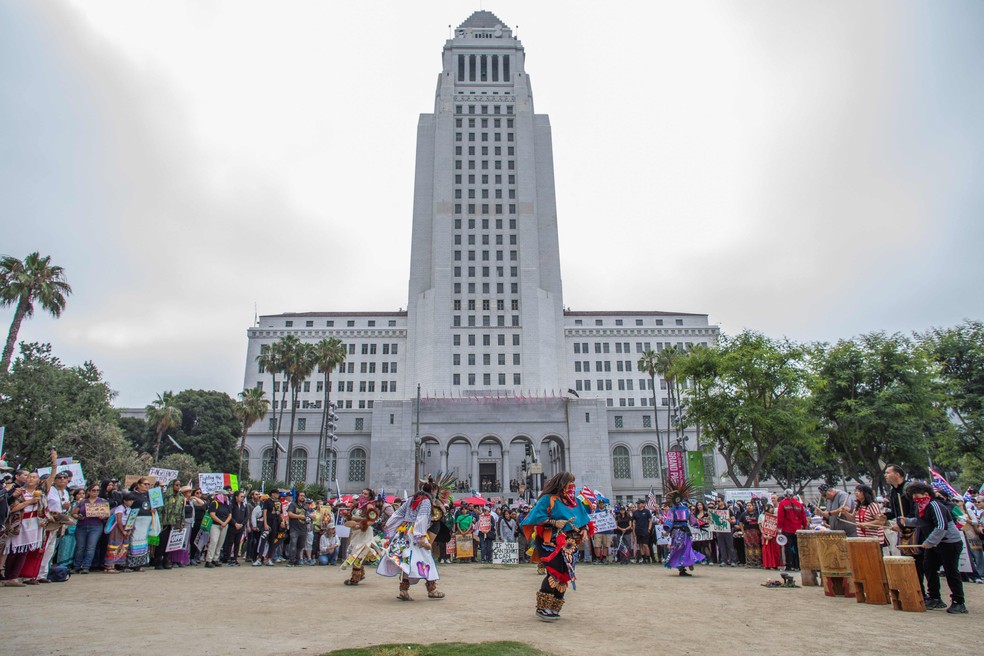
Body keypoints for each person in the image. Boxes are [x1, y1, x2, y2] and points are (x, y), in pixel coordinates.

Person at [521, 471, 593, 622]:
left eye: (573, 483)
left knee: (565, 574)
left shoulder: (576, 502)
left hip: (570, 544)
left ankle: (554, 606)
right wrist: (554, 522)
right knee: (554, 573)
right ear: (562, 484)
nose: (572, 486)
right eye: (569, 483)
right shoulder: (548, 499)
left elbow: (584, 521)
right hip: (550, 542)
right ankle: (542, 607)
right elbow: (535, 517)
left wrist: (585, 531)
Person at [377, 473, 453, 600]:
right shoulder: (426, 501)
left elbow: (398, 513)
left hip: (404, 531)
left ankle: (404, 590)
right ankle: (432, 589)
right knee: (426, 559)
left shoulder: (412, 498)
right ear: (433, 490)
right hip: (415, 534)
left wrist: (389, 524)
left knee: (407, 560)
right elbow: (421, 519)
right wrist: (421, 537)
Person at [899, 481, 967, 614]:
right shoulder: (921, 507)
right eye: (912, 496)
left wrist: (929, 542)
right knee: (929, 568)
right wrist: (906, 521)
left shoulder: (935, 505)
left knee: (951, 571)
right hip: (935, 543)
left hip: (949, 543)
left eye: (916, 495)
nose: (914, 498)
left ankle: (959, 601)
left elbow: (941, 526)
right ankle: (935, 597)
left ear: (926, 494)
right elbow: (921, 522)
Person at [3, 470, 49, 586]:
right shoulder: (19, 492)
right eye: (29, 477)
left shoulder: (41, 494)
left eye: (34, 477)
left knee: (24, 550)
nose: (31, 479)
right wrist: (30, 502)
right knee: (14, 550)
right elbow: (12, 508)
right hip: (19, 523)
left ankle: (16, 575)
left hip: (33, 524)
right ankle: (9, 576)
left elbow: (44, 510)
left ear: (38, 481)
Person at [663, 479, 706, 576]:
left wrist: (699, 524)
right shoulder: (676, 510)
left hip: (682, 531)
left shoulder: (681, 509)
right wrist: (667, 527)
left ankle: (687, 563)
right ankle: (683, 567)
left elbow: (692, 520)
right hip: (679, 531)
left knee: (684, 548)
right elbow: (670, 521)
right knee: (681, 548)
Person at [341, 488, 379, 585]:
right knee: (354, 552)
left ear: (370, 496)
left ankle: (355, 578)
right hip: (355, 532)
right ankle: (360, 573)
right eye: (362, 493)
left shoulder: (369, 505)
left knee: (357, 553)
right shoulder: (357, 505)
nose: (362, 495)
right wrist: (347, 517)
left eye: (365, 494)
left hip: (364, 532)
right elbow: (351, 516)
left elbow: (371, 521)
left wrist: (360, 525)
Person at [71, 483, 107, 573]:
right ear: (89, 491)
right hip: (82, 525)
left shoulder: (102, 501)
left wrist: (102, 516)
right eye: (94, 490)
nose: (96, 492)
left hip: (96, 526)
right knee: (80, 547)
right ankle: (77, 566)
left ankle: (86, 566)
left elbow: (106, 514)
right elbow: (73, 513)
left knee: (91, 547)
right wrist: (78, 517)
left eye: (98, 490)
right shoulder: (82, 502)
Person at [154, 479, 184, 570]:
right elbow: (158, 509)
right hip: (164, 522)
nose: (178, 487)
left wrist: (181, 523)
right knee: (162, 542)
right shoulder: (164, 496)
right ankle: (158, 561)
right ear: (171, 486)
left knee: (170, 543)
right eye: (176, 485)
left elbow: (182, 511)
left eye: (179, 485)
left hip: (174, 522)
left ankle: (166, 560)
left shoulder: (181, 497)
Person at [104, 492, 137, 573]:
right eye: (130, 500)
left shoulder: (129, 509)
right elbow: (118, 520)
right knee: (114, 546)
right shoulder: (120, 508)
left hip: (127, 528)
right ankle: (110, 566)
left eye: (132, 500)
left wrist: (129, 530)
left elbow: (131, 520)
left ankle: (121, 564)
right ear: (125, 500)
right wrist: (122, 530)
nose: (131, 502)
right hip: (118, 528)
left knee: (124, 546)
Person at [777, 489, 809, 571]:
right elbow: (803, 517)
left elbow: (781, 517)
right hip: (797, 529)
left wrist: (779, 527)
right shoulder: (799, 504)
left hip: (787, 529)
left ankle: (789, 565)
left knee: (787, 548)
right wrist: (805, 527)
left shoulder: (782, 504)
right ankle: (798, 565)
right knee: (797, 547)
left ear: (784, 495)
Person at [254, 489, 282, 566]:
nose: (278, 495)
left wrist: (282, 522)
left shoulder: (279, 502)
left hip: (275, 523)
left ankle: (269, 558)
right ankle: (259, 558)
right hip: (268, 522)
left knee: (272, 542)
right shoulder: (267, 501)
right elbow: (265, 512)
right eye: (276, 493)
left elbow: (280, 513)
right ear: (272, 494)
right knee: (263, 540)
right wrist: (265, 524)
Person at [205, 490, 232, 568]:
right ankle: (209, 560)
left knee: (220, 543)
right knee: (214, 541)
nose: (226, 497)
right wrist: (221, 522)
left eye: (227, 496)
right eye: (224, 495)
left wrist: (225, 523)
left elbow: (230, 515)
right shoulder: (215, 503)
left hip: (224, 525)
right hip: (215, 525)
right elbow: (212, 515)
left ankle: (215, 559)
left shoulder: (227, 504)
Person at [711, 498, 737, 567]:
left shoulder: (728, 510)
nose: (717, 503)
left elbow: (734, 520)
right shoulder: (715, 511)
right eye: (716, 502)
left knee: (730, 546)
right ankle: (723, 560)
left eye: (719, 501)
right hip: (719, 531)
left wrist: (730, 521)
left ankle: (733, 560)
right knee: (721, 546)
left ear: (722, 502)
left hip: (728, 530)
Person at [286, 491, 309, 567]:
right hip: (294, 528)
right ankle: (291, 560)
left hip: (303, 528)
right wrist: (299, 516)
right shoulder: (293, 504)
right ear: (297, 496)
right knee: (293, 544)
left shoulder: (305, 506)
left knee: (301, 545)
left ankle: (297, 560)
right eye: (301, 495)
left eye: (304, 496)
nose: (303, 497)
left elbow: (307, 516)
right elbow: (290, 514)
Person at [740, 498, 762, 568]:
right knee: (748, 547)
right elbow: (740, 522)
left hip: (756, 532)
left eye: (750, 505)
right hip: (747, 532)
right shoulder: (744, 514)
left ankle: (757, 563)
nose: (748, 507)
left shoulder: (757, 514)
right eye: (747, 506)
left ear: (753, 506)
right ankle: (749, 563)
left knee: (757, 547)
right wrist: (743, 531)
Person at [759, 503, 782, 570]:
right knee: (766, 551)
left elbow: (776, 526)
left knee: (775, 550)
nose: (772, 509)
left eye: (772, 508)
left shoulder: (775, 516)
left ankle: (774, 564)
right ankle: (767, 564)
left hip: (773, 536)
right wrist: (764, 534)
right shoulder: (761, 516)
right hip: (765, 535)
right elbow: (760, 526)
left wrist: (773, 534)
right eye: (770, 507)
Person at [631, 499, 654, 564]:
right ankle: (643, 558)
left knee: (645, 544)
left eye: (639, 503)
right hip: (638, 530)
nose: (638, 505)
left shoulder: (646, 511)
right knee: (640, 545)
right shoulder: (635, 512)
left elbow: (650, 520)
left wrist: (649, 528)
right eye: (637, 504)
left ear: (643, 504)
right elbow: (634, 522)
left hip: (645, 530)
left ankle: (648, 558)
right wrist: (633, 531)